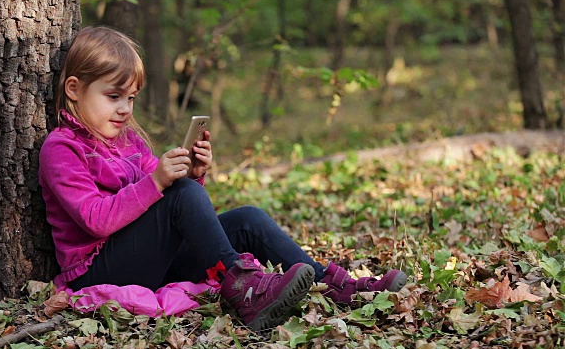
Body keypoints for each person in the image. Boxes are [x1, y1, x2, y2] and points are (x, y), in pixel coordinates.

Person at [39, 26, 407, 331]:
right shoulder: (62, 148)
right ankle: (244, 290)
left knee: (247, 219)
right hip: (98, 269)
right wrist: (160, 183)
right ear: (74, 89)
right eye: (113, 96)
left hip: (148, 258)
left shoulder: (129, 141)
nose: (124, 108)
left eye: (131, 98)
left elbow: (173, 210)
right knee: (178, 190)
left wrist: (194, 175)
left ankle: (331, 283)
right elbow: (96, 219)